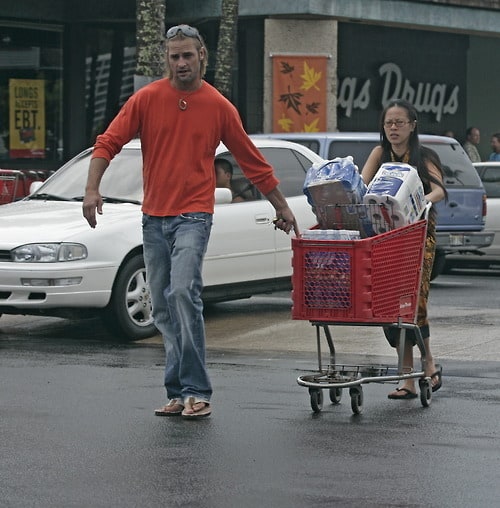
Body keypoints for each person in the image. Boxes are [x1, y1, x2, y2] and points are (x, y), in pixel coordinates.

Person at [82, 24, 298, 419]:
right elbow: (108, 142)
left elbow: (252, 161)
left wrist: (282, 206)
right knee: (162, 306)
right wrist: (92, 189)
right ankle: (178, 390)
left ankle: (197, 390)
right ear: (166, 59)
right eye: (174, 56)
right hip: (153, 218)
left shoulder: (218, 106)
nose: (181, 63)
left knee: (183, 292)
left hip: (194, 215)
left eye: (187, 55)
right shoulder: (147, 99)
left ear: (202, 57)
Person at [361, 99, 446, 400]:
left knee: (412, 305)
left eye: (400, 122)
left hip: (418, 238)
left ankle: (426, 363)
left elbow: (438, 188)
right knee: (388, 307)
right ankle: (410, 376)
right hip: (385, 236)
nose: (394, 128)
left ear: (412, 125)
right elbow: (363, 186)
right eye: (389, 123)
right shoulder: (379, 154)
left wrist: (423, 199)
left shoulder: (424, 155)